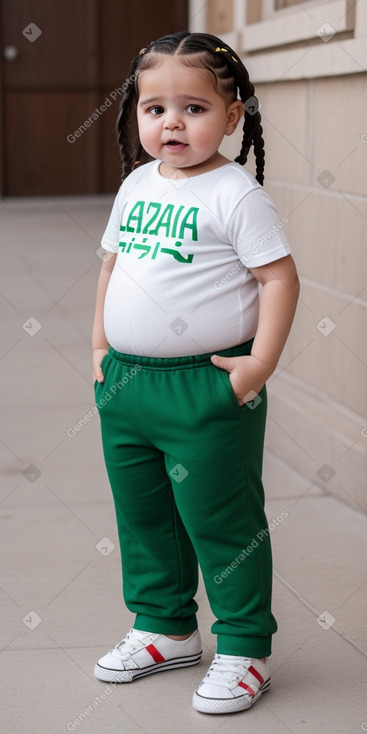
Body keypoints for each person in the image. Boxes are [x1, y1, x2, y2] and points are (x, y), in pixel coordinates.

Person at [91, 31, 300, 715]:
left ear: (232, 116)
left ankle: (243, 647)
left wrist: (255, 367)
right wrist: (99, 350)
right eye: (154, 109)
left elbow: (277, 279)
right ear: (137, 116)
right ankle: (164, 627)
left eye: (193, 107)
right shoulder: (135, 184)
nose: (171, 123)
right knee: (144, 515)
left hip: (203, 387)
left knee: (222, 521)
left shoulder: (234, 194)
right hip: (127, 385)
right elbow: (112, 266)